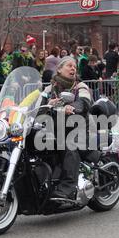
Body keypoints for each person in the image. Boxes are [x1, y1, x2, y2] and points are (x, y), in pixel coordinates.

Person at [40, 56, 93, 201]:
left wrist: (72, 107)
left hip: (79, 129)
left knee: (69, 144)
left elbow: (84, 103)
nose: (73, 68)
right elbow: (37, 104)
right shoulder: (49, 88)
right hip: (56, 128)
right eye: (69, 66)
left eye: (74, 66)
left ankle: (68, 187)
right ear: (59, 69)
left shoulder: (80, 86)